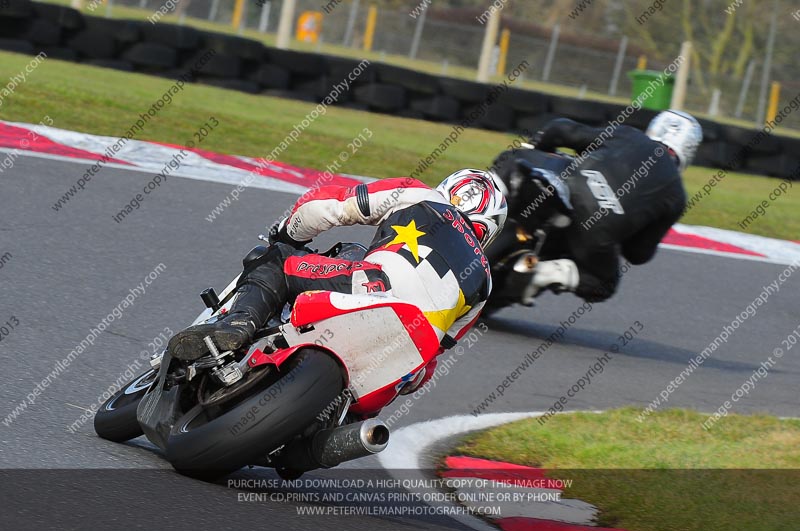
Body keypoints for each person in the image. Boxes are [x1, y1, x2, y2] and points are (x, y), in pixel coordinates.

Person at [167, 169, 507, 389]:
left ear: (449, 187)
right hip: (408, 349)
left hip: (375, 287)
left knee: (278, 261)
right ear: (490, 229)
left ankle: (238, 325)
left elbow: (329, 206)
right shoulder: (485, 283)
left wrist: (288, 234)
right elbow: (429, 366)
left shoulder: (421, 196)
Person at [492, 109, 702, 303]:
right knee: (604, 283)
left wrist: (538, 146)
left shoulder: (629, 135)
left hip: (561, 185)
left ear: (654, 127)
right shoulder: (677, 196)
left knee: (514, 161)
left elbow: (562, 129)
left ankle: (472, 209)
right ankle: (541, 273)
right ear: (689, 149)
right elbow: (638, 254)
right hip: (595, 233)